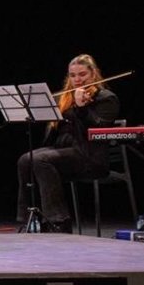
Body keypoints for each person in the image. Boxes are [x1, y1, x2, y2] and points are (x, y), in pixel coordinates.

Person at [16, 54, 119, 233]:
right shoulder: (64, 98)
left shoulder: (106, 98)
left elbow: (101, 128)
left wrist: (82, 109)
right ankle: (28, 220)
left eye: (82, 74)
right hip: (63, 152)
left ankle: (59, 222)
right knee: (26, 159)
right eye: (72, 75)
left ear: (93, 74)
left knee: (41, 160)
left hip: (89, 156)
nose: (77, 79)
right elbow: (55, 132)